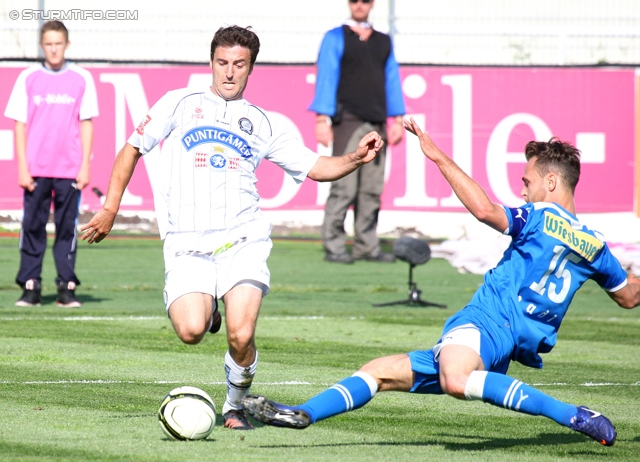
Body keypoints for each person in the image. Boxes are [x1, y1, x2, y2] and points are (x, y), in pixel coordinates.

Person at [242, 119, 640, 446]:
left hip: (484, 323)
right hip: (502, 345)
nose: (523, 190)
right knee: (378, 371)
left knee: (455, 380)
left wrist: (436, 156)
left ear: (551, 184)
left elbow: (484, 210)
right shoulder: (595, 245)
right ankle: (303, 414)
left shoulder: (538, 216)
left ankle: (570, 414)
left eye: (527, 182)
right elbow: (628, 296)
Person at [80, 26, 384, 431]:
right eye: (222, 63)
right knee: (190, 330)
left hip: (243, 239)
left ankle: (234, 406)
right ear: (211, 63)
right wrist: (110, 208)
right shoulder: (179, 104)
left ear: (250, 68)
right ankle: (209, 309)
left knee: (241, 335)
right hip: (187, 243)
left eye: (238, 65)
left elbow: (315, 167)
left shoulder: (261, 123)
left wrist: (354, 158)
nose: (228, 72)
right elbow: (132, 148)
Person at [4, 20, 99, 308]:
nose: (54, 49)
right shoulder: (28, 77)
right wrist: (23, 167)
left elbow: (87, 124)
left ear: (66, 45)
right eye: (49, 44)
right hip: (36, 169)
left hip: (69, 168)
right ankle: (30, 285)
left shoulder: (81, 78)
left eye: (58, 43)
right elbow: (19, 125)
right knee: (32, 226)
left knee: (66, 229)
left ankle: (65, 287)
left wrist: (84, 166)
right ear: (42, 46)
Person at [311, 0, 405, 264]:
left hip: (377, 122)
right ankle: (334, 245)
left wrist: (396, 119)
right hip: (347, 121)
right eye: (355, 0)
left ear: (372, 4)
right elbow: (326, 76)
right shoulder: (336, 37)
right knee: (343, 186)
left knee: (371, 189)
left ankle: (367, 246)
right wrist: (322, 119)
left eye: (365, 0)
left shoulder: (383, 41)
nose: (360, 5)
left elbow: (392, 79)